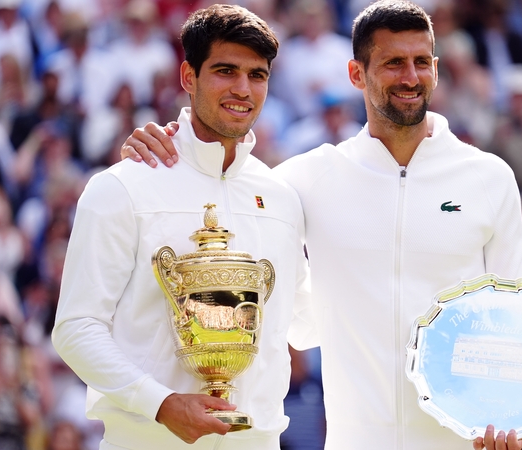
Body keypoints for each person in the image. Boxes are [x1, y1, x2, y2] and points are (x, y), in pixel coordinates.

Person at [121, 2, 522, 449]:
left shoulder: (490, 178)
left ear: (436, 70)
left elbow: (516, 321)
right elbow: (222, 181)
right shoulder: (304, 179)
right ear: (356, 74)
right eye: (393, 63)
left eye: (422, 62)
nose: (410, 77)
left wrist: (514, 415)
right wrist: (171, 143)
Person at [51, 5, 310, 450]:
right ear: (188, 77)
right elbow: (76, 329)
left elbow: (305, 324)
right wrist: (163, 404)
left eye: (257, 75)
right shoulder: (122, 186)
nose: (243, 89)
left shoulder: (281, 197)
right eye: (226, 71)